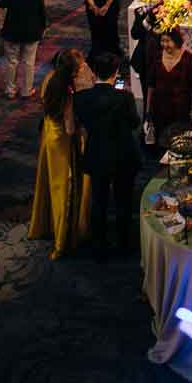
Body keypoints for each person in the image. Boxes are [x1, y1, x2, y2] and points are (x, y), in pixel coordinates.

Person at [74, 52, 141, 261]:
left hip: (97, 152)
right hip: (123, 154)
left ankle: (99, 244)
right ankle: (123, 243)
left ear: (94, 72)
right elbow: (134, 123)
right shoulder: (124, 97)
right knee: (123, 201)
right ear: (116, 73)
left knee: (99, 200)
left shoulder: (81, 98)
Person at [28, 49, 92, 259]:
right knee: (63, 188)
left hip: (48, 134)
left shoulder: (48, 78)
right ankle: (62, 240)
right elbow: (71, 127)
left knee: (48, 182)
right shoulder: (67, 92)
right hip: (63, 142)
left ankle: (45, 225)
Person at [145, 27, 192, 148]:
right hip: (159, 111)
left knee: (181, 146)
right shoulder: (157, 57)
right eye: (162, 41)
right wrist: (148, 110)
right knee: (161, 145)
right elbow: (151, 85)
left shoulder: (188, 58)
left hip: (181, 112)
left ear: (176, 41)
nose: (164, 44)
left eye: (168, 41)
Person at [0, 0, 47, 99]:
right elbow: (42, 13)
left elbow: (1, 3)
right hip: (31, 33)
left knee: (11, 62)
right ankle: (26, 90)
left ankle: (10, 90)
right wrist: (43, 28)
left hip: (12, 33)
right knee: (28, 62)